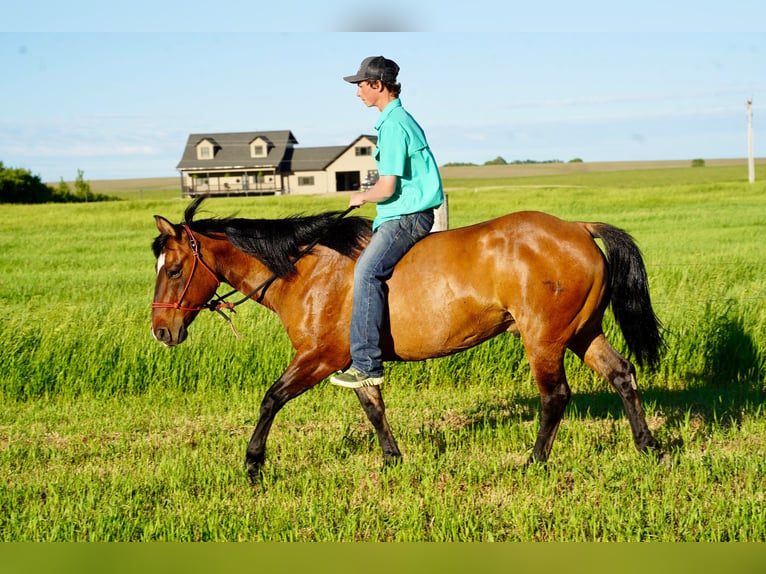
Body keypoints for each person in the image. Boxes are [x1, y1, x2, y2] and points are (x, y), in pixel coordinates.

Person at [330, 56, 444, 389]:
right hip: (403, 212)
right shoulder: (398, 120)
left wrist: (361, 196)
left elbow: (388, 187)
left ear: (378, 85)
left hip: (406, 216)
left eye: (360, 85)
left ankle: (366, 365)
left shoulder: (393, 125)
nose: (357, 93)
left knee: (366, 271)